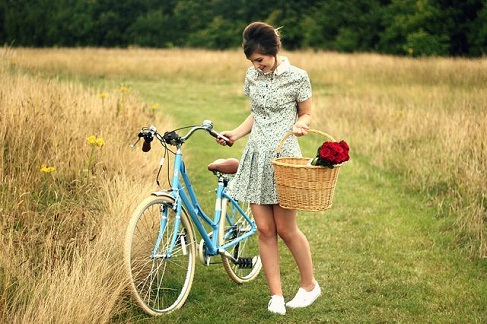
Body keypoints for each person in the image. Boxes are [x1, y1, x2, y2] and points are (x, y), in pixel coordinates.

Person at [216, 21, 321, 315]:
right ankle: (276, 295)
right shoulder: (252, 76)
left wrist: (301, 124)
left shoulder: (298, 77)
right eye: (253, 62)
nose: (257, 66)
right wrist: (236, 134)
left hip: (283, 157)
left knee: (286, 230)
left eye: (260, 60)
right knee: (263, 229)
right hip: (256, 156)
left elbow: (307, 112)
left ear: (274, 52)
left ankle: (309, 286)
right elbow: (256, 114)